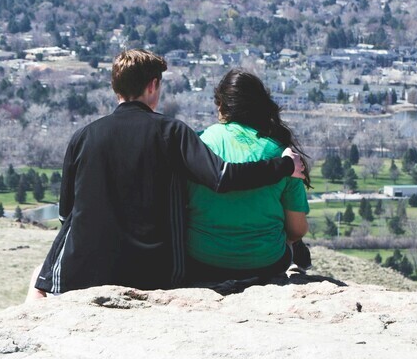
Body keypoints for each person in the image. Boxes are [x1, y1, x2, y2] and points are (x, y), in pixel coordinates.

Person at [29, 50, 304, 299]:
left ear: (115, 88)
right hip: (155, 271)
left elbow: (66, 214)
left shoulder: (84, 136)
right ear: (153, 86)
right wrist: (284, 166)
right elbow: (222, 177)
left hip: (84, 271)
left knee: (36, 283)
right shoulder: (172, 133)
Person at [185, 68, 311, 284]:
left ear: (221, 106)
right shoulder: (280, 153)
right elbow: (297, 229)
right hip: (265, 263)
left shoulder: (198, 144)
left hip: (202, 261)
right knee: (296, 248)